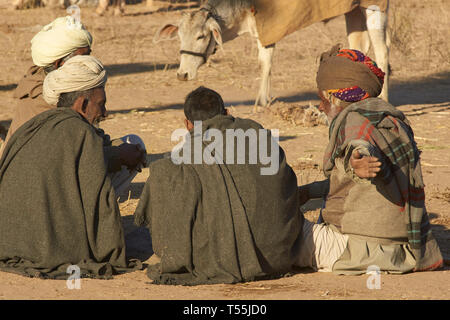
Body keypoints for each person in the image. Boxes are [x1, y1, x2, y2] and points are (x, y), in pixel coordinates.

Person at [296, 45, 443, 274]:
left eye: (322, 99)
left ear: (334, 98)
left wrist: (359, 162)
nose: (320, 107)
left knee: (278, 230)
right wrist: (308, 192)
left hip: (354, 250)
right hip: (401, 251)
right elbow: (350, 185)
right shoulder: (391, 119)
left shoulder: (354, 120)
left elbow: (360, 147)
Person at [134, 86, 302, 285]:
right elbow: (288, 186)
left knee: (162, 171)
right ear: (227, 113)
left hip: (224, 260)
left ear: (187, 125)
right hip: (281, 255)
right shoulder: (257, 133)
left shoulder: (186, 155)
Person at [0, 55, 143, 279]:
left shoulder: (32, 126)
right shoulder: (80, 133)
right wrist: (108, 248)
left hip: (8, 238)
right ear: (83, 104)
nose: (105, 113)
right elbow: (94, 192)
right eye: (101, 104)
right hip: (49, 244)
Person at [0, 15, 93, 158]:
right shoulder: (50, 97)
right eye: (81, 57)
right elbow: (80, 145)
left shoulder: (39, 77)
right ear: (58, 63)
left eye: (89, 55)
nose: (87, 62)